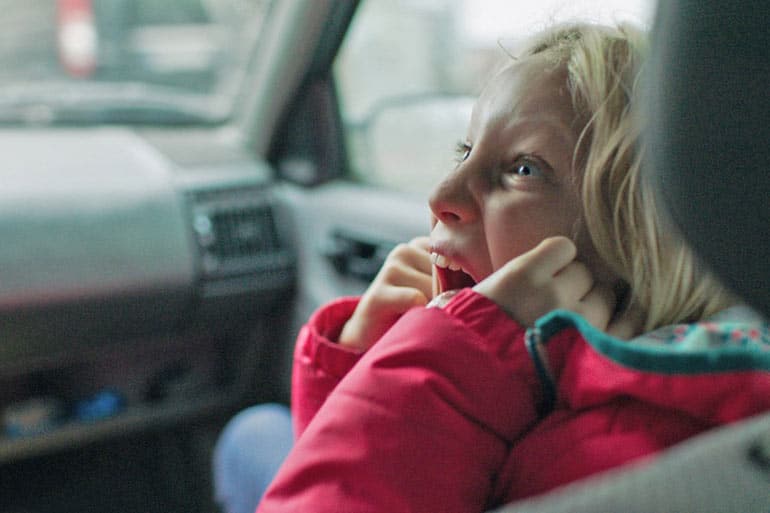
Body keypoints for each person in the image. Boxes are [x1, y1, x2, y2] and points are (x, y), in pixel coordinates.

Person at [235, 21, 770, 513]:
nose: (441, 195)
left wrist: (451, 361)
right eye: (463, 151)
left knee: (247, 439)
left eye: (522, 169)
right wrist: (369, 365)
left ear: (646, 236)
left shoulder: (605, 454)